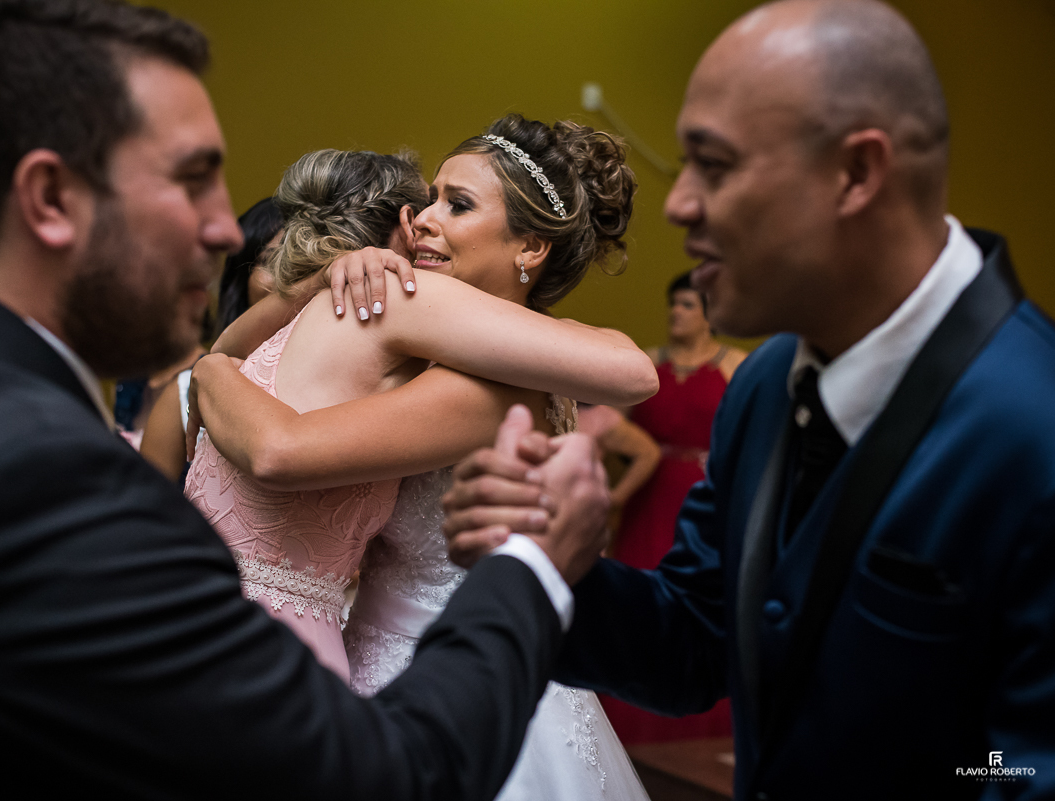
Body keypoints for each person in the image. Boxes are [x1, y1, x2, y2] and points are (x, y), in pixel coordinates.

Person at [0, 1, 612, 798]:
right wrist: (533, 564)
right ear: (50, 198)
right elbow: (383, 777)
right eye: (191, 180)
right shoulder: (45, 480)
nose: (226, 229)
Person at [441, 2, 1055, 799]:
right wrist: (548, 559)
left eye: (714, 165)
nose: (678, 203)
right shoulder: (766, 385)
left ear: (857, 174)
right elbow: (696, 637)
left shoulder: (1031, 427)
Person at [188, 116, 654, 799]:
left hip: (450, 674)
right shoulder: (411, 332)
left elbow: (278, 448)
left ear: (530, 245)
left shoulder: (495, 382)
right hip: (366, 652)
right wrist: (324, 278)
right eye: (430, 197)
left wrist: (211, 372)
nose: (422, 219)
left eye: (456, 205)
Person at [602, 270, 745, 745]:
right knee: (635, 594)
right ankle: (630, 726)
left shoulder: (735, 366)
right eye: (673, 304)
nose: (675, 313)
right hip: (648, 493)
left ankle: (697, 737)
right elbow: (610, 427)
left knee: (698, 592)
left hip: (706, 494)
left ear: (709, 315)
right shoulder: (644, 363)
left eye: (686, 304)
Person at [140, 198, 283, 483]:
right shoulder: (184, 394)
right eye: (271, 261)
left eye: (301, 261)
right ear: (242, 279)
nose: (288, 277)